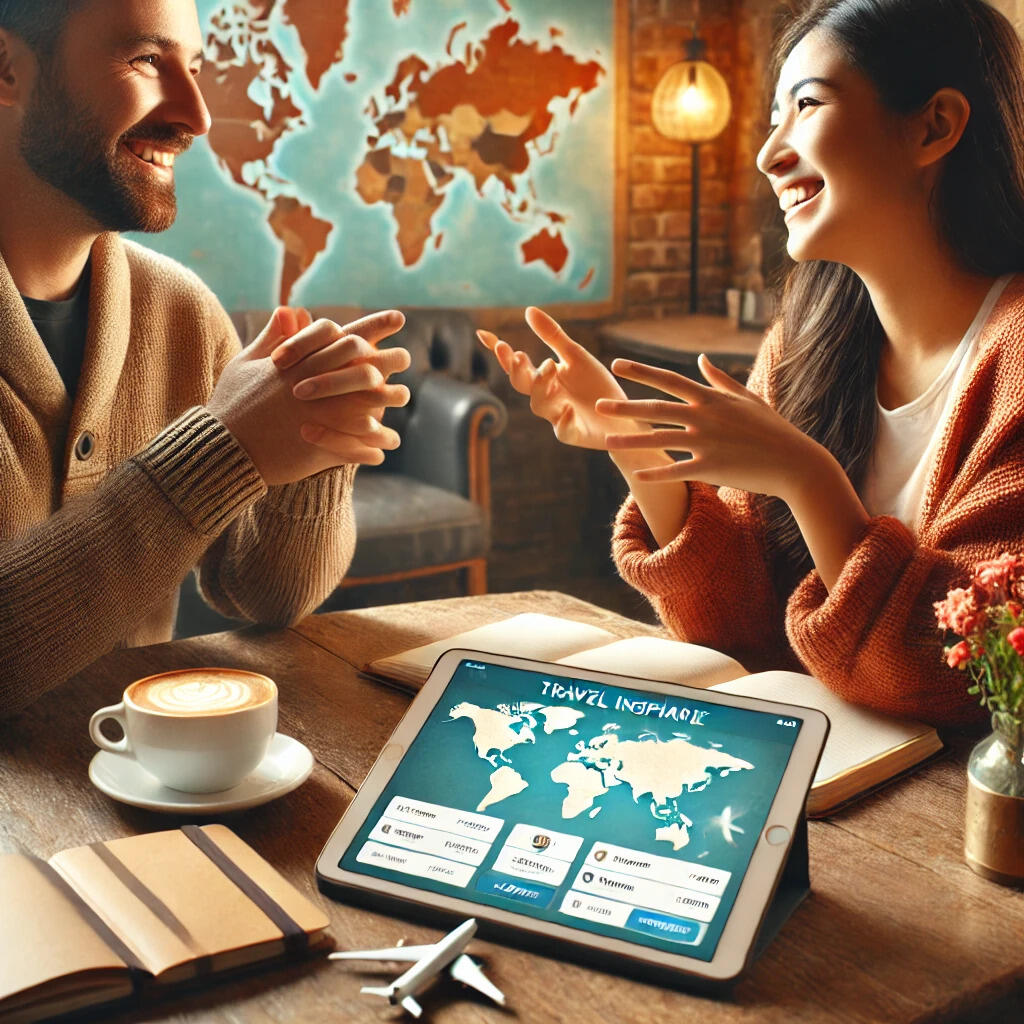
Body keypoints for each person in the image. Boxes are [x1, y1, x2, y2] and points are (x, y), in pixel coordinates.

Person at [479, 0, 1024, 727]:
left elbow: (970, 672)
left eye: (807, 105)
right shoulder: (807, 338)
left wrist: (807, 478)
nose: (770, 153)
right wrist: (637, 449)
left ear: (935, 126)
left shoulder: (1014, 355)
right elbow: (739, 631)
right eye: (775, 117)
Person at [0, 0, 412, 714]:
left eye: (192, 68)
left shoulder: (182, 311)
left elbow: (263, 596)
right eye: (146, 61)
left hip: (134, 797)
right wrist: (218, 454)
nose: (195, 116)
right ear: (7, 69)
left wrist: (314, 440)